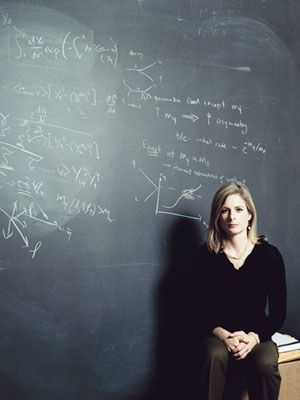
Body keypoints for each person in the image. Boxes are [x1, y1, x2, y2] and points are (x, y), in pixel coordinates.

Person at [194, 182, 287, 400]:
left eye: (238, 210)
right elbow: (196, 310)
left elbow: (278, 312)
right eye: (224, 210)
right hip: (216, 334)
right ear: (217, 217)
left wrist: (254, 337)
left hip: (257, 335)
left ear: (249, 216)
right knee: (214, 355)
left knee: (265, 363)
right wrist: (224, 336)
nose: (231, 217)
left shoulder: (269, 255)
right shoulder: (204, 256)